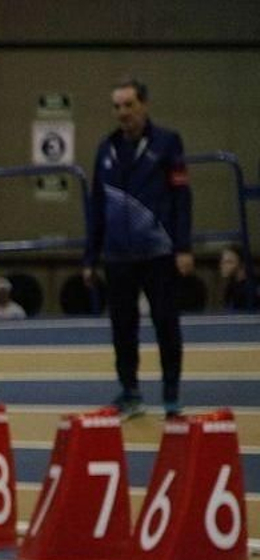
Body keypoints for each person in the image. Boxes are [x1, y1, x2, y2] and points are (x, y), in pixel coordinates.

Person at [84, 76, 193, 419]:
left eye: (129, 105)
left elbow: (181, 198)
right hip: (118, 256)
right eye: (117, 107)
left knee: (166, 324)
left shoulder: (168, 143)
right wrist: (90, 257)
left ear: (143, 105)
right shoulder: (106, 149)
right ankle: (129, 391)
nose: (123, 113)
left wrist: (184, 247)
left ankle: (171, 395)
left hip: (158, 253)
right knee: (122, 327)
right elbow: (96, 206)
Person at [219, 244, 257, 311]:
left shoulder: (253, 287)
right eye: (222, 262)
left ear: (242, 264)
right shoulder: (230, 287)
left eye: (228, 262)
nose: (222, 266)